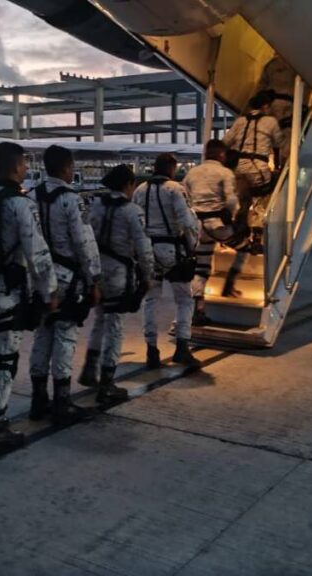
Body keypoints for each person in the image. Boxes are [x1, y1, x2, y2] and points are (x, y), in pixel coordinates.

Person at [0, 142, 57, 452]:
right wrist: (50, 292)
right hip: (5, 291)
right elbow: (38, 254)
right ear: (17, 166)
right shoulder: (19, 204)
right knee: (5, 359)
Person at [27, 145, 101, 425]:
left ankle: (38, 401)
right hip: (67, 280)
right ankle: (62, 402)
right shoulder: (72, 200)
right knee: (65, 337)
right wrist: (94, 278)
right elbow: (84, 243)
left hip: (39, 278)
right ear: (66, 168)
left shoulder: (31, 196)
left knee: (42, 335)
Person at [82, 165, 155, 402]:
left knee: (100, 320)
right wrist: (148, 274)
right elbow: (143, 248)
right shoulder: (132, 211)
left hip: (97, 272)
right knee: (115, 327)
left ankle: (90, 368)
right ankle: (107, 383)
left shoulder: (96, 206)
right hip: (119, 275)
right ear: (127, 185)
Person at [133, 153, 200, 368]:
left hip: (148, 251)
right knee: (184, 299)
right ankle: (182, 347)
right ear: (171, 168)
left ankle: (151, 350)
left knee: (151, 300)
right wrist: (192, 247)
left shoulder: (140, 190)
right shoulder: (175, 189)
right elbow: (187, 222)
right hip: (173, 250)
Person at [185, 139, 248, 325]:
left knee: (201, 269)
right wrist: (236, 218)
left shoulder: (191, 173)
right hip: (217, 225)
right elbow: (231, 201)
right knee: (244, 247)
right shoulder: (225, 172)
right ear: (222, 154)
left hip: (197, 227)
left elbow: (186, 198)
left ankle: (199, 309)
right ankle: (230, 283)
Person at [223, 89, 286, 252]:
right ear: (265, 106)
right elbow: (278, 144)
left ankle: (240, 234)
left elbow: (226, 141)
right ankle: (257, 238)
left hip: (239, 168)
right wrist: (277, 167)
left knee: (243, 201)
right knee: (261, 199)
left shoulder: (240, 121)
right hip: (258, 167)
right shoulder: (271, 121)